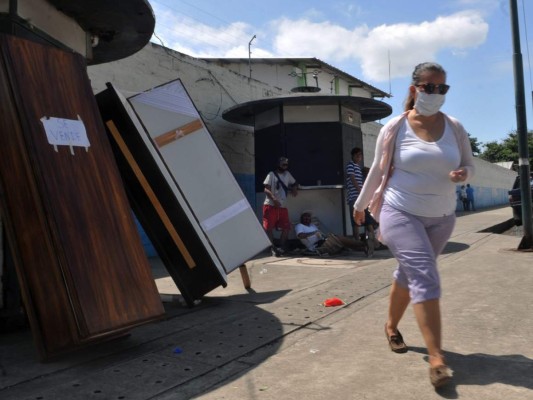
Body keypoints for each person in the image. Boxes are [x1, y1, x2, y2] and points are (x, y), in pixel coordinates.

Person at [353, 62, 475, 388]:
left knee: (407, 274)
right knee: (424, 276)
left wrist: (464, 175)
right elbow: (378, 171)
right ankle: (437, 359)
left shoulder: (455, 127)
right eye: (429, 87)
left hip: (442, 218)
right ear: (414, 89)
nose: (436, 94)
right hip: (400, 211)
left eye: (442, 88)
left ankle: (390, 326)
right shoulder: (394, 128)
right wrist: (360, 205)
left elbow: (469, 165)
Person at [263, 157, 298, 256]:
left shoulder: (287, 174)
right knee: (269, 227)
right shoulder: (271, 174)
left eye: (286, 165)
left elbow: (294, 183)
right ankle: (272, 248)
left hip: (283, 206)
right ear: (278, 164)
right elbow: (266, 189)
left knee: (286, 227)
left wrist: (294, 189)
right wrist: (274, 199)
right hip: (270, 205)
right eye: (283, 164)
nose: (285, 166)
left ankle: (281, 247)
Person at [345, 147, 378, 255]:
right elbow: (353, 179)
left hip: (361, 196)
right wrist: (360, 191)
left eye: (360, 156)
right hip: (354, 197)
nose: (359, 157)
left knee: (367, 219)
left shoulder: (358, 167)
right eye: (357, 155)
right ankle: (357, 243)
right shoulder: (350, 165)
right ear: (353, 156)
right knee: (355, 221)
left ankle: (372, 241)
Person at [294, 211, 365, 256]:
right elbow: (300, 236)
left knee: (339, 239)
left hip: (322, 241)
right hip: (316, 246)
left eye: (308, 217)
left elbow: (319, 234)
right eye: (305, 217)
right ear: (301, 218)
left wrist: (324, 235)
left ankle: (363, 247)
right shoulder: (299, 226)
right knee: (339, 238)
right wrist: (314, 233)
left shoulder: (312, 225)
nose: (307, 218)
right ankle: (363, 244)